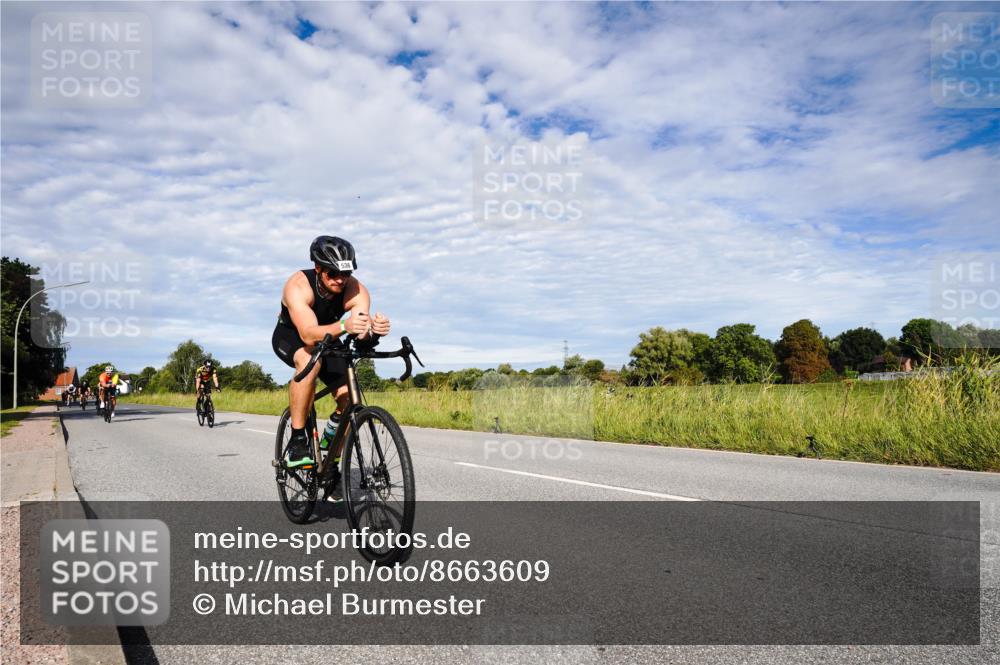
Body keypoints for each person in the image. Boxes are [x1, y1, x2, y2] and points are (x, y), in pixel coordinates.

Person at [272, 236, 391, 468]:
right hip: (293, 336)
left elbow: (360, 337)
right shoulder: (298, 285)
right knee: (309, 360)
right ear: (318, 268)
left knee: (348, 396)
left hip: (330, 337)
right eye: (332, 273)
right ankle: (298, 439)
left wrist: (373, 333)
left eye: (345, 274)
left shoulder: (356, 290)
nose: (340, 280)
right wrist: (345, 326)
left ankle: (332, 463)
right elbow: (307, 334)